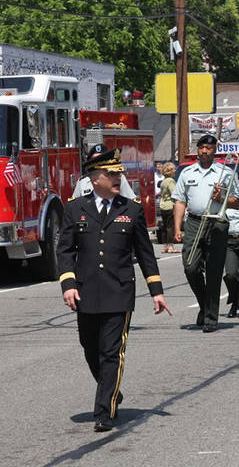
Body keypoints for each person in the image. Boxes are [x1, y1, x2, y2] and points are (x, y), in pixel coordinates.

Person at [57, 147, 171, 432]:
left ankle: (104, 411)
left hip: (119, 293)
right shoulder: (74, 209)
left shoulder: (130, 209)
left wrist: (156, 290)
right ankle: (111, 390)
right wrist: (68, 285)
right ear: (95, 178)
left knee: (112, 352)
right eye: (111, 174)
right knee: (90, 348)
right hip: (86, 292)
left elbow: (145, 253)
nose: (117, 178)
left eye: (118, 173)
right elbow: (65, 251)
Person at [172, 134, 239, 332]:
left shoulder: (226, 172)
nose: (204, 151)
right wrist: (177, 228)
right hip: (194, 222)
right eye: (201, 147)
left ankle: (211, 318)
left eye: (208, 148)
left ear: (214, 150)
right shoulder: (187, 172)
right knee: (190, 267)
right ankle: (204, 304)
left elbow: (237, 203)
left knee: (213, 272)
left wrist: (222, 198)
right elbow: (180, 201)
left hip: (217, 223)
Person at [159, 162, 179, 254]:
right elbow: (174, 193)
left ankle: (165, 246)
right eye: (174, 169)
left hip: (163, 206)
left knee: (165, 227)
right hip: (170, 206)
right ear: (170, 171)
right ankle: (171, 247)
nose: (175, 170)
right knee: (171, 226)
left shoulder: (163, 181)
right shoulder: (171, 181)